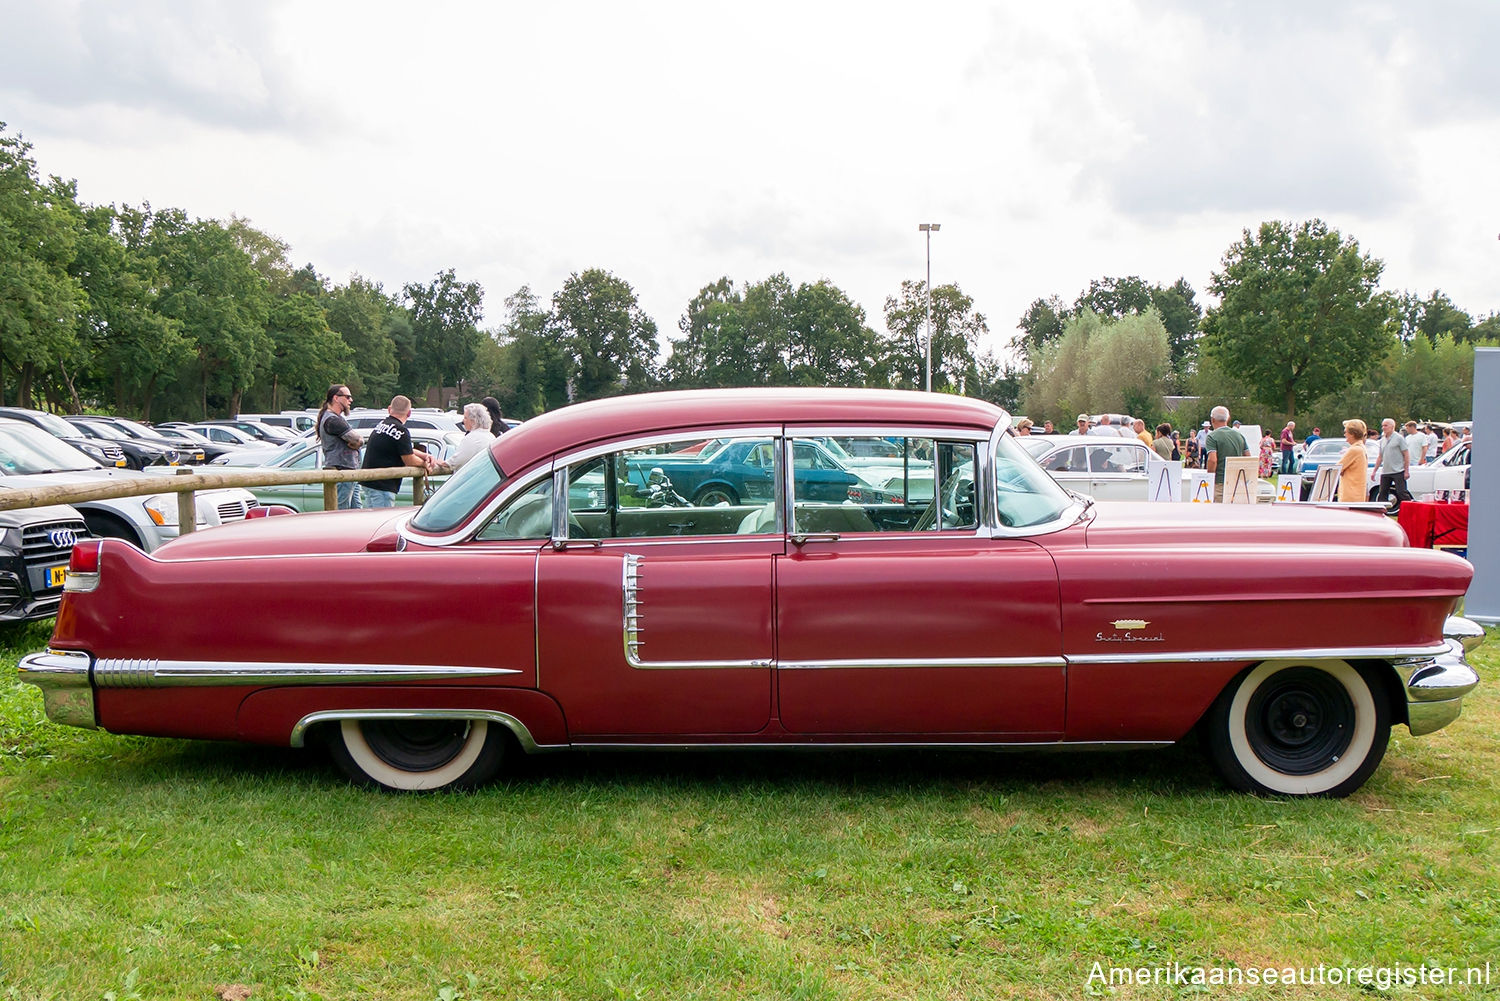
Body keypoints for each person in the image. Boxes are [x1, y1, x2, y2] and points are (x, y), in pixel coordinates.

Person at [359, 395, 439, 508]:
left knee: (373, 521)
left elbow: (404, 449)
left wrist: (424, 455)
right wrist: (424, 463)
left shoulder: (382, 424)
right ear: (409, 413)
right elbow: (409, 459)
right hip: (383, 485)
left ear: (389, 409)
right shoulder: (401, 430)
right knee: (382, 520)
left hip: (370, 480)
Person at [316, 383, 364, 509]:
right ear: (336, 398)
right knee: (341, 510)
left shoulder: (333, 418)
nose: (351, 400)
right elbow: (358, 439)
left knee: (356, 509)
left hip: (349, 470)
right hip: (342, 470)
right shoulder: (333, 420)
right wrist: (357, 443)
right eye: (347, 397)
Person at [1203, 405, 1250, 503]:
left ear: (1212, 419)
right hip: (1237, 482)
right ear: (1228, 418)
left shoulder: (1212, 436)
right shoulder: (1239, 435)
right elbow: (1248, 458)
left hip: (1220, 481)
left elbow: (1212, 460)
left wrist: (1210, 477)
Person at [1372, 417, 1412, 510]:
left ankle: (1410, 509)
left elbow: (1406, 454)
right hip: (1386, 471)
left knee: (1401, 492)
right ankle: (1382, 511)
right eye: (1382, 426)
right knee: (1382, 493)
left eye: (1386, 425)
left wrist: (1406, 470)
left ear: (1392, 426)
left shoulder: (1399, 438)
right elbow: (1380, 456)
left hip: (1398, 470)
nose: (1383, 428)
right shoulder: (1382, 440)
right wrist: (1375, 471)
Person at [445, 402, 496, 470]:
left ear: (473, 421)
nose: (463, 421)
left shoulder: (472, 438)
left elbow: (456, 461)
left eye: (465, 418)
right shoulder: (491, 436)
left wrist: (440, 463)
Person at [1337, 419, 1369, 502]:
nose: (1344, 434)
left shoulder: (1354, 450)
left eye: (1346, 432)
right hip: (1357, 494)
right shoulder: (1361, 447)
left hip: (1350, 495)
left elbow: (1337, 468)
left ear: (1352, 434)